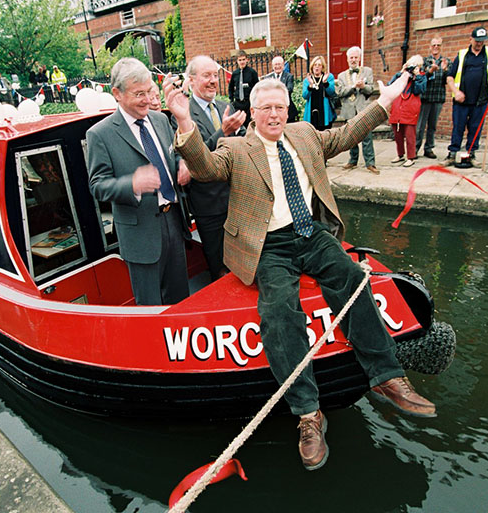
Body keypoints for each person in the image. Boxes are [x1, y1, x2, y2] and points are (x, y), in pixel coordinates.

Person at [166, 72, 436, 471]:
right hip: (268, 244)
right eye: (266, 109)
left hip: (311, 233)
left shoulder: (306, 133)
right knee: (278, 313)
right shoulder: (236, 148)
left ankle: (386, 375)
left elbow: (347, 135)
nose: (274, 115)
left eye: (280, 107)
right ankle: (309, 413)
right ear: (253, 113)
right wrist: (185, 123)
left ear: (287, 110)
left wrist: (388, 100)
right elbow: (204, 169)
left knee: (350, 278)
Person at [86, 57, 192, 306]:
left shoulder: (160, 119)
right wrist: (131, 184)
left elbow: (171, 155)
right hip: (140, 235)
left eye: (149, 91)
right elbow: (97, 186)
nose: (147, 100)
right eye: (139, 94)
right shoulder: (100, 134)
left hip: (174, 222)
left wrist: (182, 163)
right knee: (151, 308)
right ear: (117, 94)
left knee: (180, 301)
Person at [176, 55, 246, 280]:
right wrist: (222, 132)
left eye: (215, 75)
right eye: (207, 76)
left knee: (245, 262)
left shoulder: (226, 106)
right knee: (221, 268)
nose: (213, 81)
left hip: (237, 199)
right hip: (209, 205)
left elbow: (243, 141)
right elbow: (194, 154)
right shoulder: (182, 115)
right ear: (192, 80)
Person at [444, 26, 488, 168]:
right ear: (471, 39)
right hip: (461, 101)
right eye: (477, 40)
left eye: (482, 41)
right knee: (458, 128)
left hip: (480, 100)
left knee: (475, 128)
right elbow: (450, 77)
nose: (479, 43)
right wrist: (456, 92)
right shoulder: (462, 55)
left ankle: (471, 154)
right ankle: (452, 155)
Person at [337, 46, 378, 174]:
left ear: (359, 58)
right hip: (349, 109)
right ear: (347, 59)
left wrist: (363, 86)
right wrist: (353, 87)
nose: (353, 60)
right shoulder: (342, 75)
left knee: (367, 136)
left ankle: (370, 163)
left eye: (356, 57)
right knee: (351, 136)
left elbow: (371, 90)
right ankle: (353, 160)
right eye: (351, 58)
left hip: (362, 108)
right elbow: (340, 92)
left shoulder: (367, 71)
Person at [389, 56, 427, 168]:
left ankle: (411, 157)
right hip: (397, 108)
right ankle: (400, 154)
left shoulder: (421, 77)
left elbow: (419, 90)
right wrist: (401, 73)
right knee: (397, 133)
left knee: (410, 135)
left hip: (410, 108)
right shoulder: (401, 76)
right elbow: (390, 85)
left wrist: (417, 76)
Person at [415, 37, 449, 159]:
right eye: (434, 45)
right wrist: (430, 71)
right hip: (425, 98)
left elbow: (447, 80)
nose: (436, 47)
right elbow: (421, 77)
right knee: (420, 126)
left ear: (441, 47)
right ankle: (415, 148)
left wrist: (445, 71)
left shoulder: (445, 61)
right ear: (430, 47)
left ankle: (428, 148)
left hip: (438, 97)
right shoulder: (424, 61)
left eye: (438, 45)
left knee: (432, 126)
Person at [302, 56, 336, 131]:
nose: (316, 67)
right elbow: (305, 96)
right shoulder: (307, 79)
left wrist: (325, 82)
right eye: (315, 65)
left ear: (322, 67)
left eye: (319, 65)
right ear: (312, 66)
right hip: (311, 113)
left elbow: (331, 93)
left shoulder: (328, 77)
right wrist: (310, 85)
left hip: (324, 112)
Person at [228, 50, 258, 128]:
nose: (242, 62)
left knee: (249, 124)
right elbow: (230, 87)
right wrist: (232, 100)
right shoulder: (235, 74)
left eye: (243, 59)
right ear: (237, 61)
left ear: (247, 60)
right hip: (238, 104)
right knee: (239, 125)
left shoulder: (252, 72)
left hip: (248, 103)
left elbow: (257, 88)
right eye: (240, 60)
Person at [263, 55, 298, 122]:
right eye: (275, 64)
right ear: (273, 66)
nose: (277, 66)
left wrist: (278, 86)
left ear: (283, 65)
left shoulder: (289, 76)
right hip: (273, 110)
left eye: (279, 64)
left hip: (287, 109)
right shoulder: (267, 78)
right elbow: (266, 91)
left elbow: (289, 90)